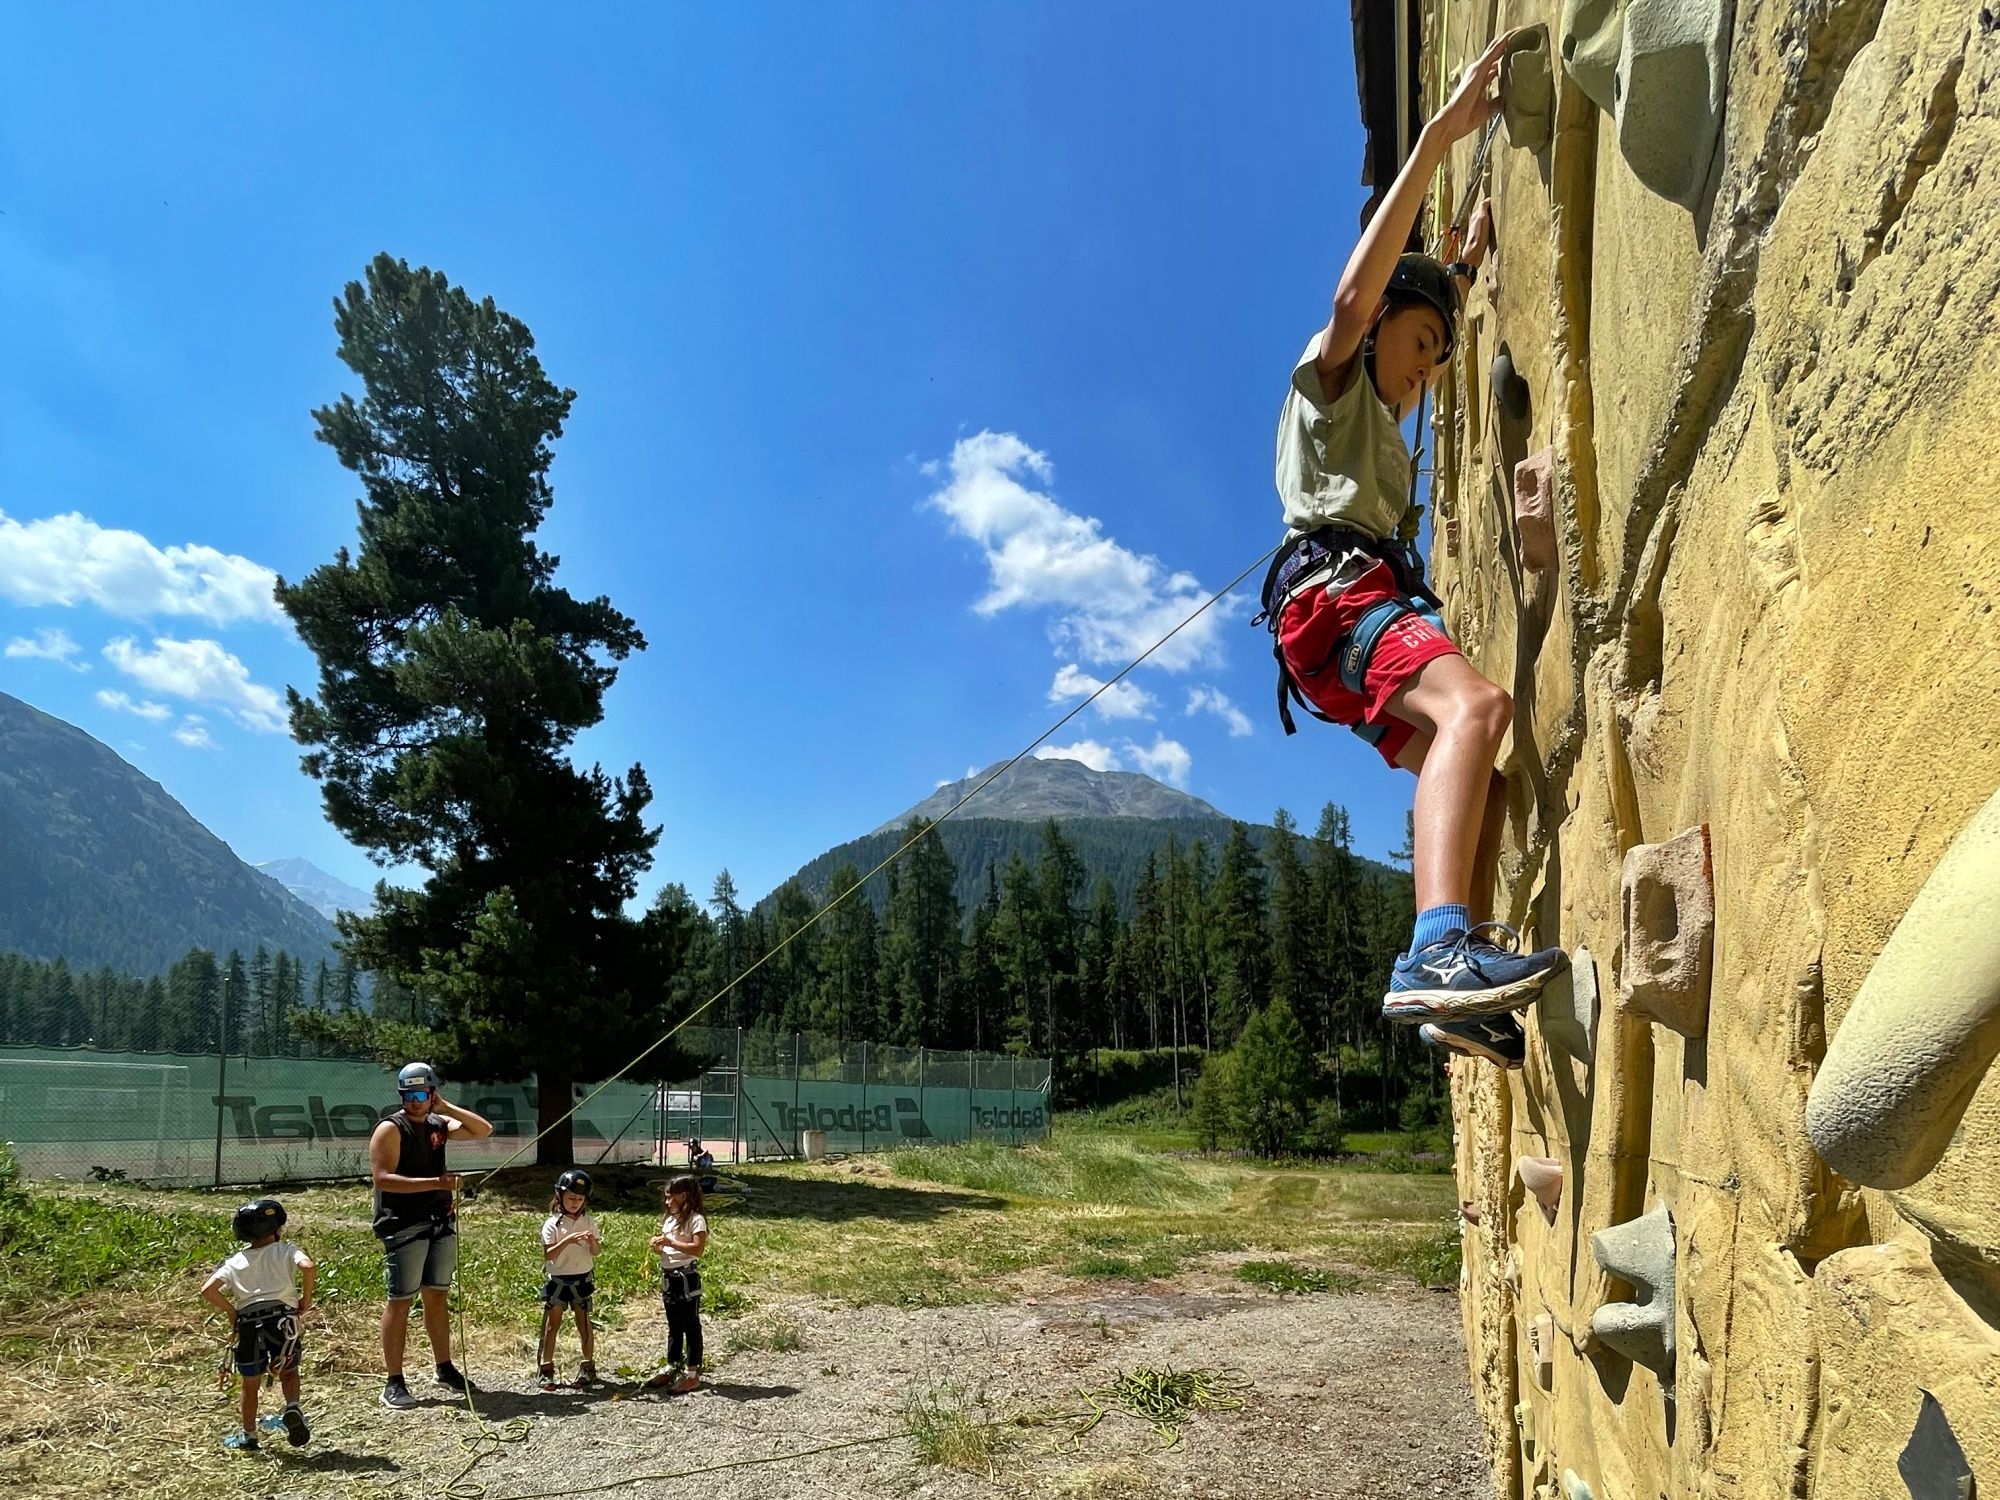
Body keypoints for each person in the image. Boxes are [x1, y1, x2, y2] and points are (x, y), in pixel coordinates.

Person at [1257, 26, 1564, 1064]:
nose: (1426, 370)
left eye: (1439, 358)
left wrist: (1464, 266)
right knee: (1476, 707)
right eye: (1420, 344)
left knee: (1482, 774)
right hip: (1337, 601)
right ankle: (1436, 952)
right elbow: (1355, 299)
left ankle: (1455, 988)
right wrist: (1437, 137)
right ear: (1382, 320)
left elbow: (1414, 305)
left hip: (1332, 635)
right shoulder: (1332, 379)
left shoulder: (1378, 437)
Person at [370, 1060, 494, 1410]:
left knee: (437, 1296)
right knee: (401, 1299)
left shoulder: (438, 1124)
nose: (415, 1101)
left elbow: (483, 1129)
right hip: (403, 1224)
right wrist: (439, 1183)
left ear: (432, 1093)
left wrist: (445, 1107)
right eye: (408, 1095)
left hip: (439, 1221)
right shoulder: (391, 1129)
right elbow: (382, 1178)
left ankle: (444, 1366)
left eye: (422, 1094)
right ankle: (393, 1381)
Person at [199, 1196, 315, 1452]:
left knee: (249, 1383)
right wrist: (304, 1300)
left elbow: (207, 1290)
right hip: (283, 1320)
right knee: (288, 1370)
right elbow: (308, 1267)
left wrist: (232, 1311)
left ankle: (249, 1435)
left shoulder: (235, 1261)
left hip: (250, 1323)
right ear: (277, 1229)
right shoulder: (286, 1250)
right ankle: (293, 1408)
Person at [537, 1167, 602, 1390]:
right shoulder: (552, 1224)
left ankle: (587, 1367)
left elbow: (596, 1252)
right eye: (571, 1198)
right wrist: (569, 1240)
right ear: (560, 1197)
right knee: (552, 1325)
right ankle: (546, 1368)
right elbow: (549, 1254)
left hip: (582, 1279)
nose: (575, 1203)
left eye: (579, 1199)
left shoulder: (589, 1222)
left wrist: (592, 1241)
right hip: (558, 1280)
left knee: (584, 1323)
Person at [646, 1173, 708, 1393]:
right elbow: (669, 1248)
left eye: (671, 1197)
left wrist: (671, 1241)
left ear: (684, 1196)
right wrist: (659, 1246)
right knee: (674, 1326)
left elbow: (697, 1249)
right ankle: (672, 1365)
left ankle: (692, 1373)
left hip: (686, 1278)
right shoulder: (671, 1219)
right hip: (669, 1277)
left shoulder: (696, 1219)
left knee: (691, 1324)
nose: (667, 1202)